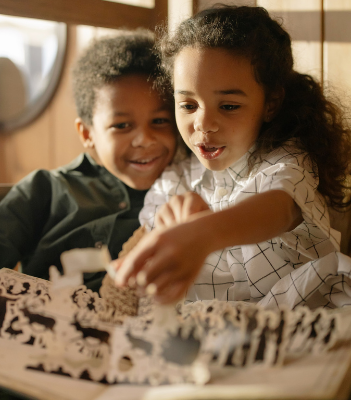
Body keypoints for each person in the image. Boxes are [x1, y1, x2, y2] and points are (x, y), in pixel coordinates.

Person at [114, 5, 351, 310]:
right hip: (206, 339)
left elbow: (279, 208)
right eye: (188, 105)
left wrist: (203, 233)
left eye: (228, 106)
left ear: (271, 103)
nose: (203, 123)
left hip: (295, 326)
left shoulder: (286, 160)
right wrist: (167, 227)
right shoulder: (177, 177)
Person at [0, 30, 178, 310]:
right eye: (122, 126)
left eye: (160, 120)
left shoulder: (188, 186)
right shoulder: (49, 187)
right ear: (87, 133)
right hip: (51, 331)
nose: (145, 139)